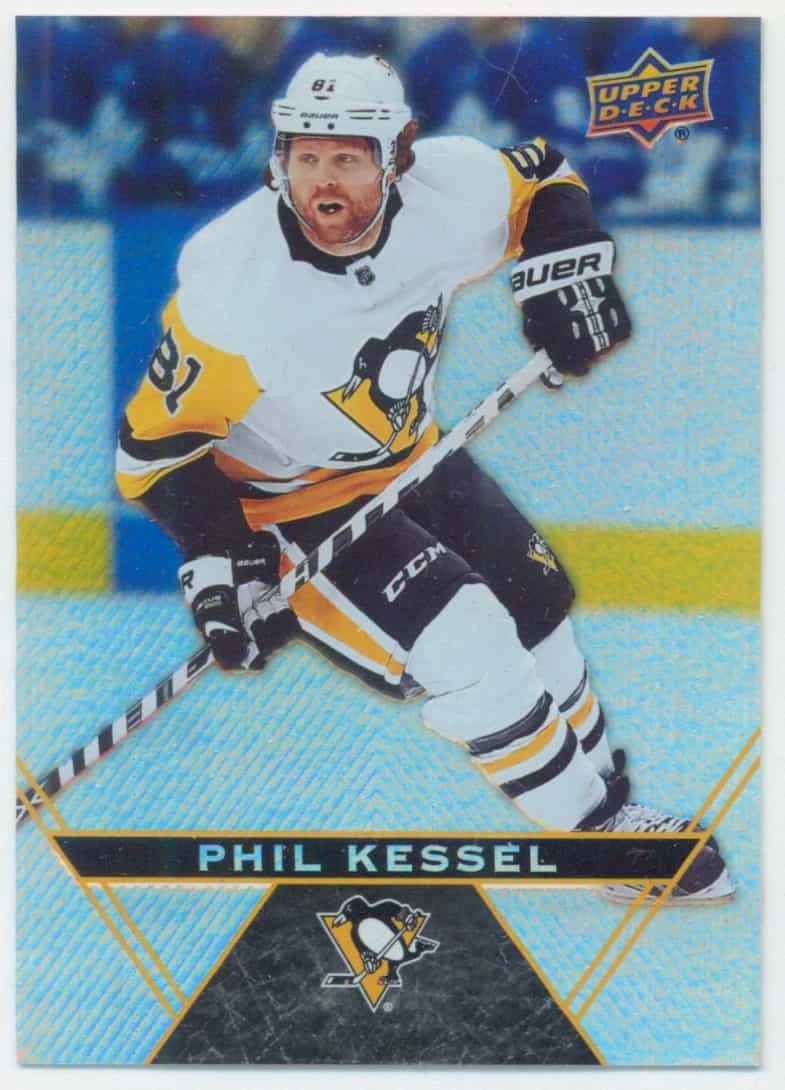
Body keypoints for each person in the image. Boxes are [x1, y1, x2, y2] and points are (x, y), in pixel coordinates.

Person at [116, 52, 733, 904]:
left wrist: (564, 267)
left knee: (536, 606)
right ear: (277, 158)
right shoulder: (232, 288)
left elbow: (541, 177)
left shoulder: (452, 187)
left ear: (398, 153)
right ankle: (597, 841)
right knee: (473, 646)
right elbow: (151, 452)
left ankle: (606, 796)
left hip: (413, 458)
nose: (321, 183)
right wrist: (224, 553)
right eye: (304, 157)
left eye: (346, 158)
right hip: (288, 504)